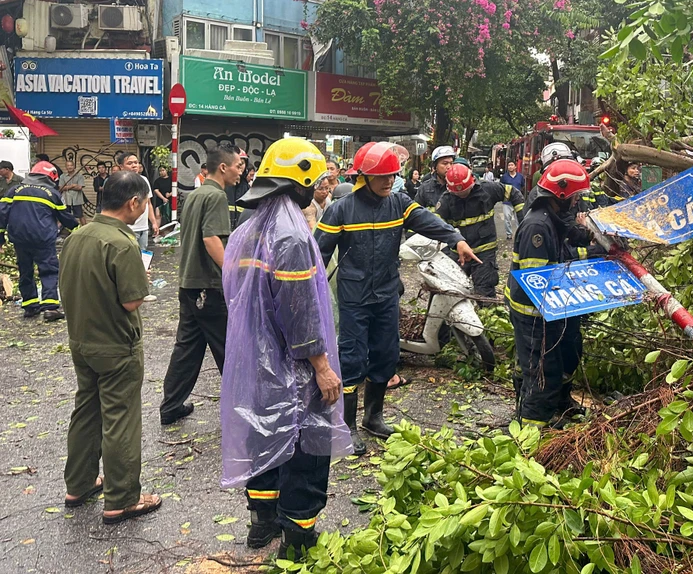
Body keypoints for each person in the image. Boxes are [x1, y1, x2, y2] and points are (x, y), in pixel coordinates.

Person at [222, 138, 352, 555]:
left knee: (265, 438)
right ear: (300, 180)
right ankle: (297, 540)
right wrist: (321, 365)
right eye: (315, 182)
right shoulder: (291, 235)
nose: (319, 189)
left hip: (258, 361)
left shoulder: (248, 230)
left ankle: (261, 526)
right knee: (307, 449)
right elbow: (300, 311)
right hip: (293, 366)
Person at [315, 142, 480, 455]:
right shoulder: (342, 209)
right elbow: (318, 250)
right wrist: (307, 288)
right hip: (355, 296)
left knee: (386, 354)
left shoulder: (399, 203)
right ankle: (345, 426)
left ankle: (373, 418)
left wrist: (456, 239)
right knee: (351, 359)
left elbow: (428, 222)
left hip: (387, 294)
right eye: (382, 176)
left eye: (392, 175)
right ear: (363, 176)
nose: (389, 181)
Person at [60, 170, 162, 525]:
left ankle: (79, 483)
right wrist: (141, 280)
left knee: (86, 410)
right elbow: (132, 300)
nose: (144, 208)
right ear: (134, 203)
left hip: (82, 341)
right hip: (117, 345)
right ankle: (121, 499)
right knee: (120, 419)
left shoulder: (77, 235)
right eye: (145, 202)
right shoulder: (122, 243)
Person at [506, 159, 596, 426]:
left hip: (550, 311)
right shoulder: (538, 227)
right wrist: (588, 259)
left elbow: (570, 233)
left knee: (561, 362)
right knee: (542, 376)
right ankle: (530, 436)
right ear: (562, 195)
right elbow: (539, 280)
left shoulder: (552, 217)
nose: (578, 200)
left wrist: (593, 238)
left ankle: (552, 411)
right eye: (576, 195)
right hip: (533, 314)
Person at [159, 145, 242, 426]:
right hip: (209, 286)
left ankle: (171, 405)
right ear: (223, 167)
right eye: (237, 166)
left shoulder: (195, 194)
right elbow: (211, 240)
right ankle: (242, 411)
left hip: (189, 284)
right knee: (228, 348)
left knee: (188, 347)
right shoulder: (217, 196)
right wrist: (233, 272)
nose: (240, 172)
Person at [0, 161, 79, 320]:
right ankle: (50, 308)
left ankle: (30, 306)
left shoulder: (14, 190)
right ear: (51, 177)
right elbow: (65, 217)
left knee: (25, 271)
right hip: (43, 239)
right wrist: (78, 231)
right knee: (48, 270)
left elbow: (2, 215)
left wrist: (1, 239)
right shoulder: (51, 193)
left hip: (19, 239)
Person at [436, 163, 524, 298]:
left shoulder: (487, 189)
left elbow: (514, 194)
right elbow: (436, 226)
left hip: (484, 253)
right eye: (458, 193)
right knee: (452, 292)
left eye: (465, 192)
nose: (462, 195)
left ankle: (486, 316)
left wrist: (523, 224)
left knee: (484, 294)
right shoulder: (446, 200)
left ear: (472, 181)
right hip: (459, 254)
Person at [118, 153, 158, 251]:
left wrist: (154, 222)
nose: (134, 165)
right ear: (121, 167)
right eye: (130, 163)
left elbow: (148, 203)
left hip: (143, 228)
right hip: (128, 229)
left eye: (136, 162)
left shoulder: (144, 180)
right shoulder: (119, 182)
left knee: (143, 255)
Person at [499, 160, 526, 239]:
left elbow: (523, 187)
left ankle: (519, 234)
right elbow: (501, 187)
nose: (510, 167)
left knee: (519, 218)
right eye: (509, 165)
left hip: (518, 202)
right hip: (507, 201)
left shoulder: (520, 177)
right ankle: (509, 234)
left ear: (515, 167)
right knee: (507, 218)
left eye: (512, 165)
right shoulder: (504, 177)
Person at [59, 159, 87, 226]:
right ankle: (65, 230)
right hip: (66, 199)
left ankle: (85, 229)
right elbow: (61, 188)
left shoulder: (79, 176)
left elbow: (80, 187)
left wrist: (67, 187)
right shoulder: (62, 176)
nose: (70, 167)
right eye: (68, 165)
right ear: (66, 167)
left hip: (77, 199)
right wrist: (73, 185)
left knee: (80, 215)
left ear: (74, 166)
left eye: (71, 165)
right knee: (66, 216)